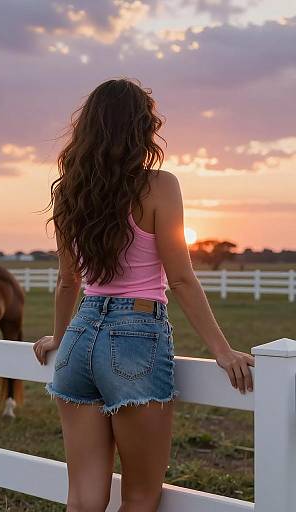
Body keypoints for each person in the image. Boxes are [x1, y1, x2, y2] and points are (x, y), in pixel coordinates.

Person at [33, 78, 255, 512]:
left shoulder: (68, 193)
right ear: (142, 128)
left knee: (83, 498)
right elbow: (183, 279)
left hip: (80, 338)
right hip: (136, 337)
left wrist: (61, 338)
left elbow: (67, 280)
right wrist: (223, 350)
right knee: (139, 496)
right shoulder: (159, 186)